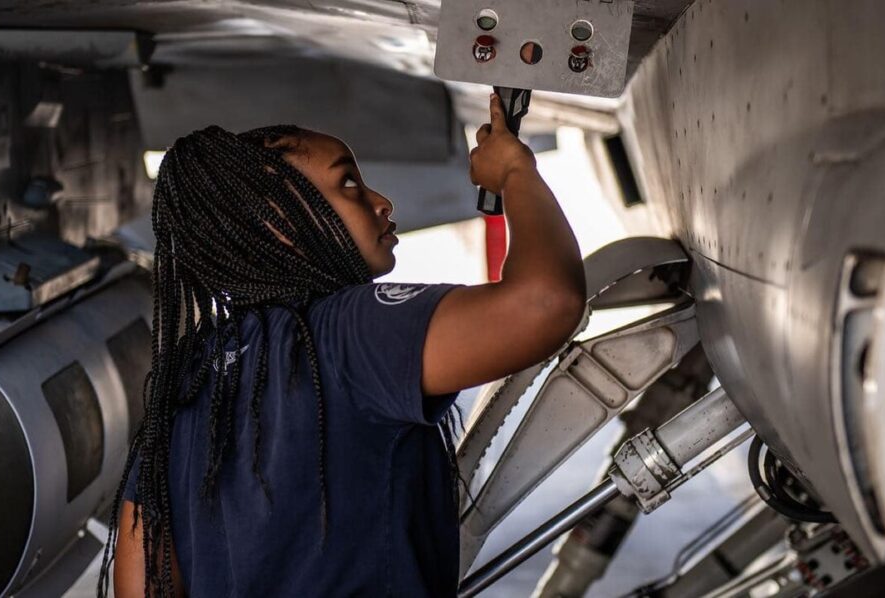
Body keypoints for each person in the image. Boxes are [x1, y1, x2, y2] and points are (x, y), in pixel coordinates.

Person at [99, 94, 586, 597]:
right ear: (278, 224)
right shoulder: (344, 333)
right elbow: (546, 303)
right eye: (348, 183)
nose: (382, 202)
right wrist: (515, 172)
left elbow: (142, 587)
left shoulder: (188, 384)